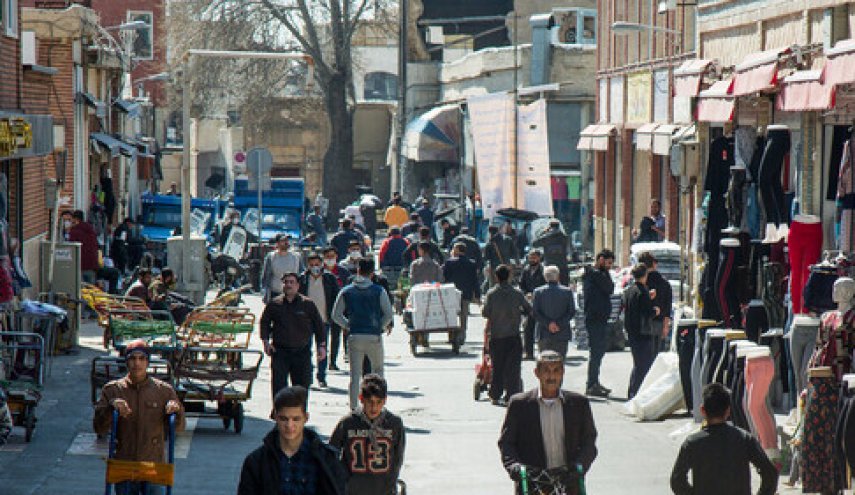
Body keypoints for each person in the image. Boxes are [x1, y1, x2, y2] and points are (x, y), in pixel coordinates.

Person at [498, 350, 598, 495]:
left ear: (562, 372)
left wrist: (580, 465)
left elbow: (589, 441)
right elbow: (506, 443)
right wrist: (515, 467)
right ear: (537, 373)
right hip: (533, 484)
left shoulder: (578, 404)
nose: (551, 376)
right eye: (546, 371)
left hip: (568, 482)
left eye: (556, 370)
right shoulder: (520, 405)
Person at [94, 340, 186, 495]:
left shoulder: (163, 391)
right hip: (124, 465)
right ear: (126, 361)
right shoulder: (113, 390)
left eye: (141, 358)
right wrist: (111, 408)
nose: (137, 363)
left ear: (147, 362)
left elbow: (179, 427)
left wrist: (176, 411)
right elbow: (99, 428)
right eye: (132, 358)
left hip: (153, 465)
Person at [670, 383, 777, 495]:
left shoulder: (692, 443)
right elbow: (769, 474)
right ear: (728, 411)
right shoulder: (744, 439)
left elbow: (677, 481)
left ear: (703, 410)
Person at [238, 386, 347, 495]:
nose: (290, 425)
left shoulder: (326, 459)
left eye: (296, 419)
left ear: (306, 418)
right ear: (275, 417)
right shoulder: (257, 461)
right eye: (284, 419)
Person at [332, 258, 394, 410]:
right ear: (372, 273)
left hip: (354, 336)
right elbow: (388, 314)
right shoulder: (379, 291)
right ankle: (379, 405)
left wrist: (348, 325)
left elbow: (335, 315)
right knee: (378, 372)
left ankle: (354, 408)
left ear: (357, 271)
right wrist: (380, 327)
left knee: (355, 376)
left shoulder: (346, 291)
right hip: (373, 336)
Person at [329, 374, 406, 495]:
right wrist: (341, 480)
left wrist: (390, 483)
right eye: (370, 402)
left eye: (379, 402)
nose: (374, 407)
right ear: (361, 398)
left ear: (385, 400)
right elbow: (331, 453)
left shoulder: (394, 424)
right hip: (352, 489)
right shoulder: (348, 422)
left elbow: (398, 458)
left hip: (383, 489)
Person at [259, 272, 327, 399]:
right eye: (286, 282)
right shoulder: (274, 304)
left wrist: (321, 346)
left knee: (301, 388)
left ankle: (300, 415)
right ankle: (278, 415)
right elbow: (264, 322)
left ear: (298, 285)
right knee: (279, 388)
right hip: (280, 352)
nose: (288, 285)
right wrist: (266, 342)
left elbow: (319, 326)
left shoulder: (307, 304)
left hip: (301, 352)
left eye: (292, 282)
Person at [482, 264, 532, 406]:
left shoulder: (491, 294)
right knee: (513, 368)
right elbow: (528, 309)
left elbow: (485, 313)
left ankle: (495, 394)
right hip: (513, 336)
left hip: (497, 336)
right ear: (509, 276)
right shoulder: (517, 293)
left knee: (497, 367)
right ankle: (511, 395)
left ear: (496, 277)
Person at [299, 254, 340, 389]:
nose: (315, 267)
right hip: (306, 321)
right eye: (312, 265)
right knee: (306, 349)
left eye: (317, 264)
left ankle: (321, 376)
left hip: (324, 320)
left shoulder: (329, 278)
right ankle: (308, 375)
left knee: (322, 348)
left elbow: (336, 298)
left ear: (322, 264)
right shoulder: (303, 279)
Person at [623, 263, 659, 399]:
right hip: (643, 333)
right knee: (643, 365)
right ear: (645, 275)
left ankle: (632, 392)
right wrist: (655, 310)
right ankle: (635, 393)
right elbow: (646, 312)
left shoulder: (630, 290)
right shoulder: (642, 291)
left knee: (638, 364)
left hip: (632, 332)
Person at [582, 249, 615, 398]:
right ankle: (591, 384)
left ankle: (594, 382)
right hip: (595, 319)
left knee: (599, 352)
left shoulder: (599, 274)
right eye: (608, 263)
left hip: (600, 319)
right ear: (600, 259)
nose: (609, 266)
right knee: (596, 352)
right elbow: (609, 288)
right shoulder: (594, 275)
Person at [532, 266, 577, 359]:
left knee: (544, 366)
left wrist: (548, 324)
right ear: (558, 276)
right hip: (562, 333)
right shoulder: (567, 291)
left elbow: (536, 312)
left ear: (545, 277)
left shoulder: (538, 292)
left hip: (544, 333)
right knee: (559, 366)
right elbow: (571, 311)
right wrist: (558, 324)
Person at [443, 243, 479, 346]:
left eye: (454, 248)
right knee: (463, 316)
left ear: (458, 250)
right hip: (466, 293)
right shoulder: (471, 263)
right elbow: (475, 280)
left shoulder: (449, 262)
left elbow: (444, 278)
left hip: (452, 293)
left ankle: (451, 336)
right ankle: (462, 336)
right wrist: (477, 295)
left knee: (451, 314)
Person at [322, 247, 350, 371]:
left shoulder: (343, 272)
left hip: (339, 308)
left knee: (336, 336)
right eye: (327, 257)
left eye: (332, 256)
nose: (330, 259)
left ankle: (332, 362)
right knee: (322, 338)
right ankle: (322, 361)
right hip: (322, 308)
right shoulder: (319, 271)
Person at [639, 251, 672, 353]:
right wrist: (666, 326)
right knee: (657, 356)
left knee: (643, 358)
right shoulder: (664, 283)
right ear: (654, 264)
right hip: (659, 323)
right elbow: (667, 306)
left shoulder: (640, 284)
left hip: (642, 323)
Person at [520, 250, 547, 360]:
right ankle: (529, 352)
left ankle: (544, 352)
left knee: (543, 329)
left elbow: (546, 285)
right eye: (530, 257)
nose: (532, 259)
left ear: (539, 258)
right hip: (529, 303)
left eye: (534, 257)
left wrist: (536, 294)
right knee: (528, 328)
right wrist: (526, 293)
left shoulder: (543, 270)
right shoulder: (526, 270)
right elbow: (522, 284)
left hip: (541, 303)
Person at [261, 234, 303, 303]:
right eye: (283, 240)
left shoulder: (296, 257)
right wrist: (265, 294)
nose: (286, 242)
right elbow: (265, 276)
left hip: (293, 293)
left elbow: (301, 274)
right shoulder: (271, 257)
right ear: (277, 243)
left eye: (287, 240)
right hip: (276, 292)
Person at [532, 219, 570, 285]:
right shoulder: (565, 237)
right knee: (564, 286)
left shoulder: (546, 238)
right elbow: (569, 251)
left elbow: (534, 244)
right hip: (562, 266)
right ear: (558, 227)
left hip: (549, 267)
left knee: (548, 287)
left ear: (550, 227)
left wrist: (544, 232)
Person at [68, 209, 100, 284]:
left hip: (80, 265)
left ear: (76, 219)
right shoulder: (90, 229)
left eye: (71, 219)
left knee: (81, 288)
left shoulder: (75, 231)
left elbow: (71, 246)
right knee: (91, 288)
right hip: (92, 264)